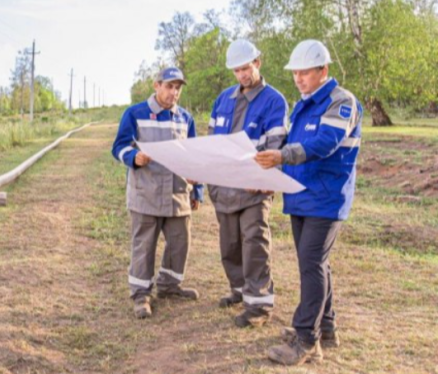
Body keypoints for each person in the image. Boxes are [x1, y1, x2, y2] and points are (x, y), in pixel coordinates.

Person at [254, 40, 363, 365]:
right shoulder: (302, 104)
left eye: (305, 72)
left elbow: (324, 143)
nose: (299, 78)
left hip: (327, 197)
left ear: (323, 71)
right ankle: (325, 328)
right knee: (315, 263)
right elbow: (289, 141)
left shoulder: (341, 102)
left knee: (311, 264)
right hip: (300, 195)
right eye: (295, 73)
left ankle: (306, 340)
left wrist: (282, 156)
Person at [111, 67, 204, 319]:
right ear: (157, 85)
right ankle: (141, 295)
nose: (174, 92)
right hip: (146, 194)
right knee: (144, 246)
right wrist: (133, 157)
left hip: (177, 194)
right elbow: (118, 147)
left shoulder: (186, 118)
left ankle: (169, 286)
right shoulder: (135, 114)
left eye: (178, 88)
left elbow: (193, 157)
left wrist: (198, 190)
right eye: (169, 86)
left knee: (179, 243)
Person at [208, 40, 288, 328]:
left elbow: (277, 144)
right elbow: (212, 141)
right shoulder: (223, 100)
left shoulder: (274, 100)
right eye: (237, 70)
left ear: (258, 62)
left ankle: (259, 305)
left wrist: (264, 179)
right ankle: (239, 290)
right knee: (229, 244)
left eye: (246, 67)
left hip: (254, 189)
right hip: (224, 187)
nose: (242, 74)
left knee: (254, 243)